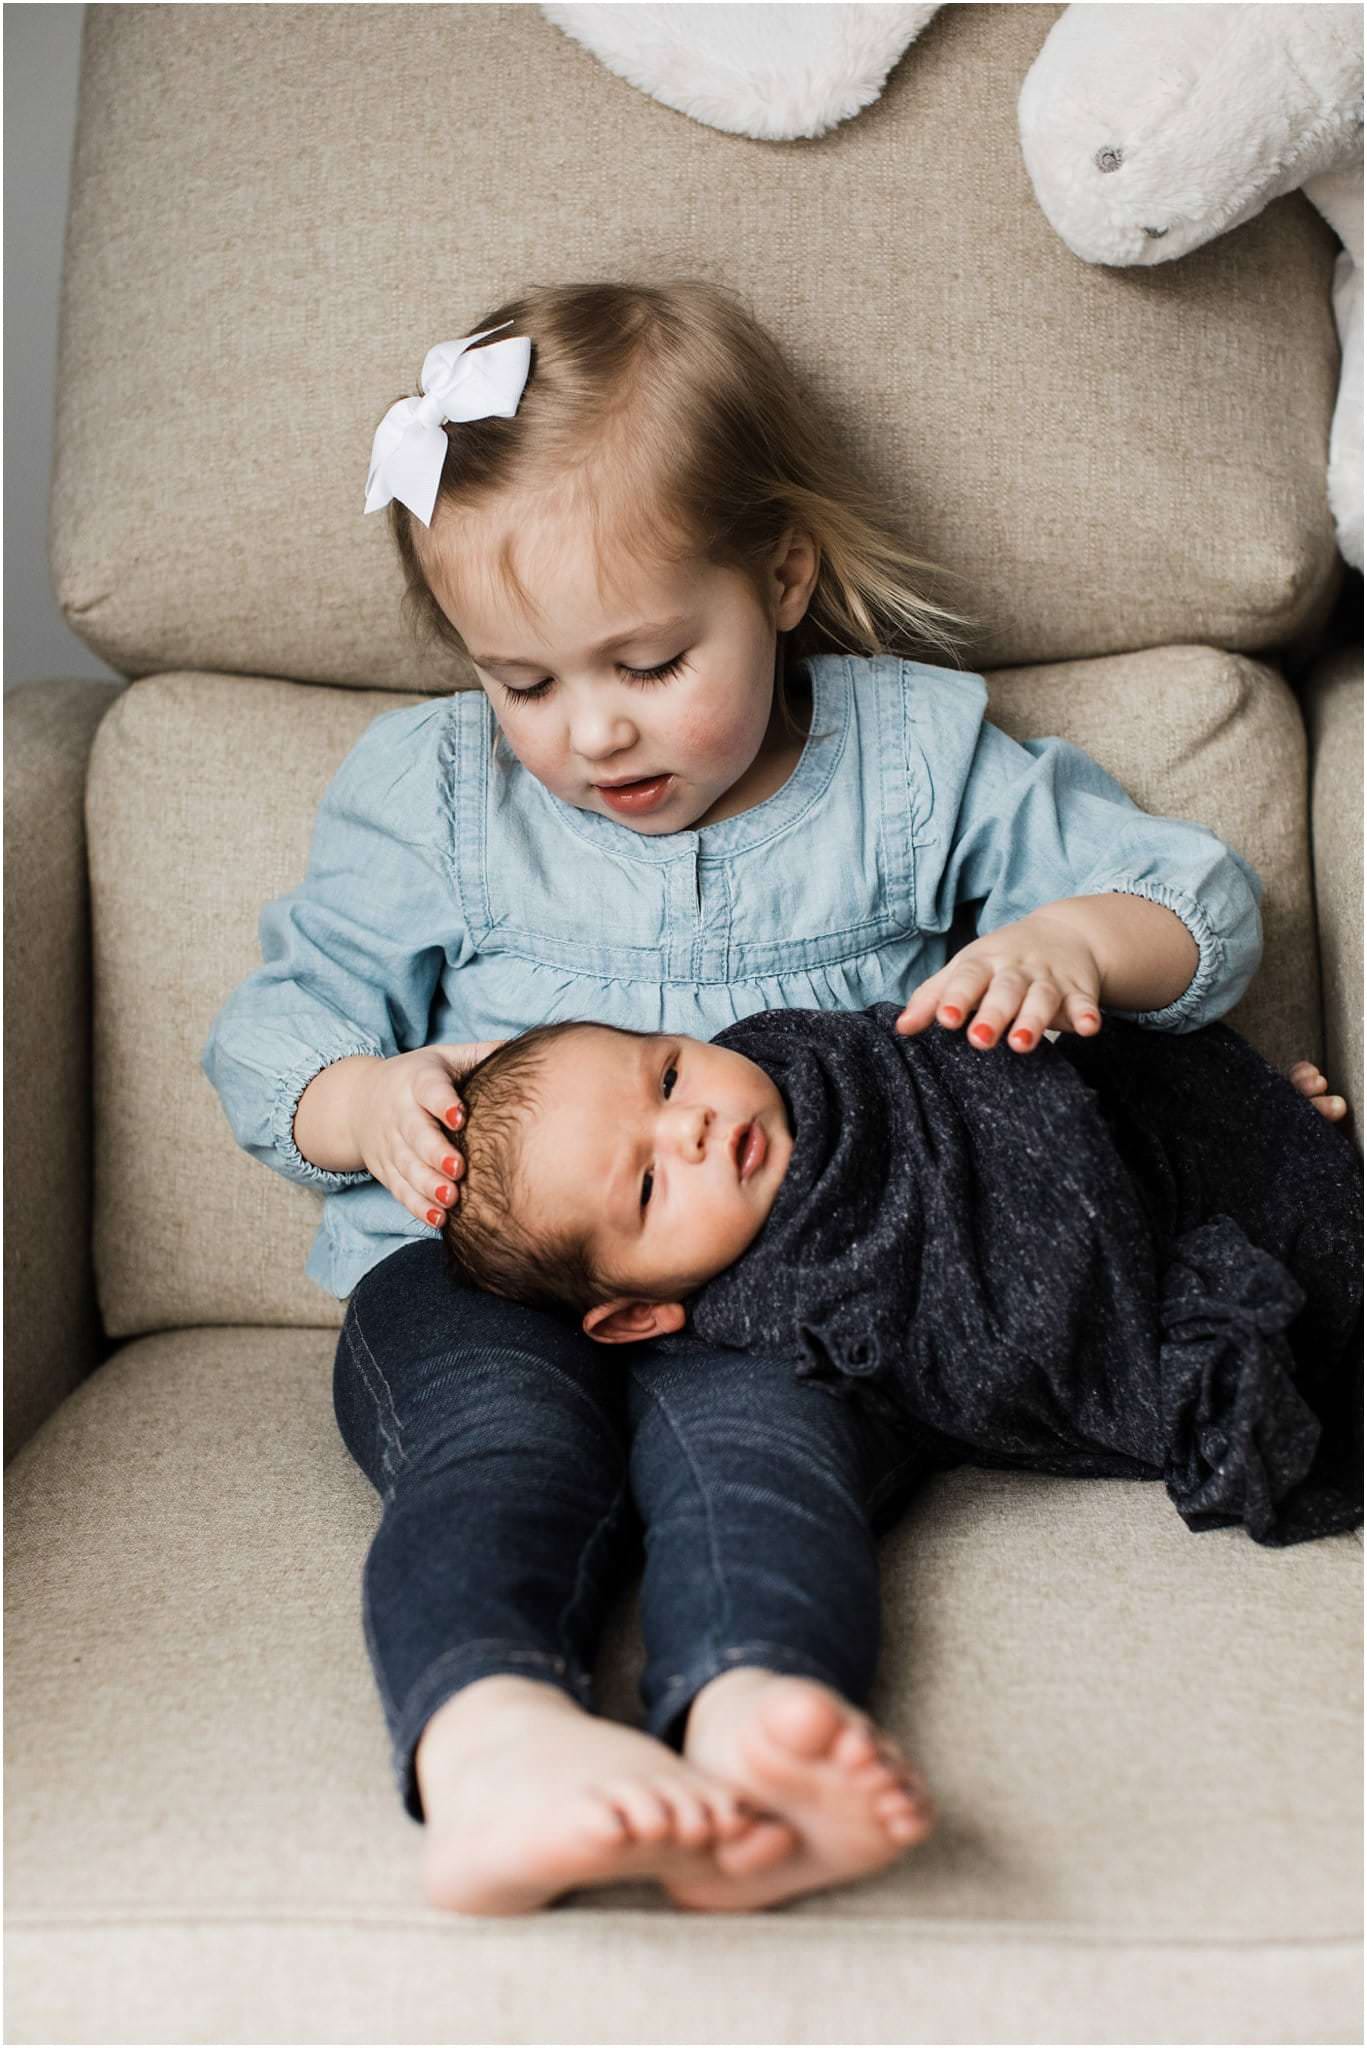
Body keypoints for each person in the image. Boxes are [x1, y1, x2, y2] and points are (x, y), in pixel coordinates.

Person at [201, 278, 1319, 1918]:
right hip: (478, 1266)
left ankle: (759, 1724)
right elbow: (269, 1035)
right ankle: (494, 1737)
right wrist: (358, 1099)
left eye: (649, 659)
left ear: (779, 577)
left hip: (818, 1296)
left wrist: (1073, 941)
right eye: (522, 682)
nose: (591, 732)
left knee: (763, 1454)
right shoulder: (429, 795)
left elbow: (1198, 909)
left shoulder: (912, 762)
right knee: (494, 1434)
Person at [437, 1006, 1362, 1551]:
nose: (691, 1128)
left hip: (1140, 1137)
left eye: (670, 1075)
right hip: (1142, 1267)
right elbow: (980, 1355)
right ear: (638, 1313)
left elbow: (987, 1051)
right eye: (647, 1184)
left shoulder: (813, 1055)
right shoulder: (787, 1311)